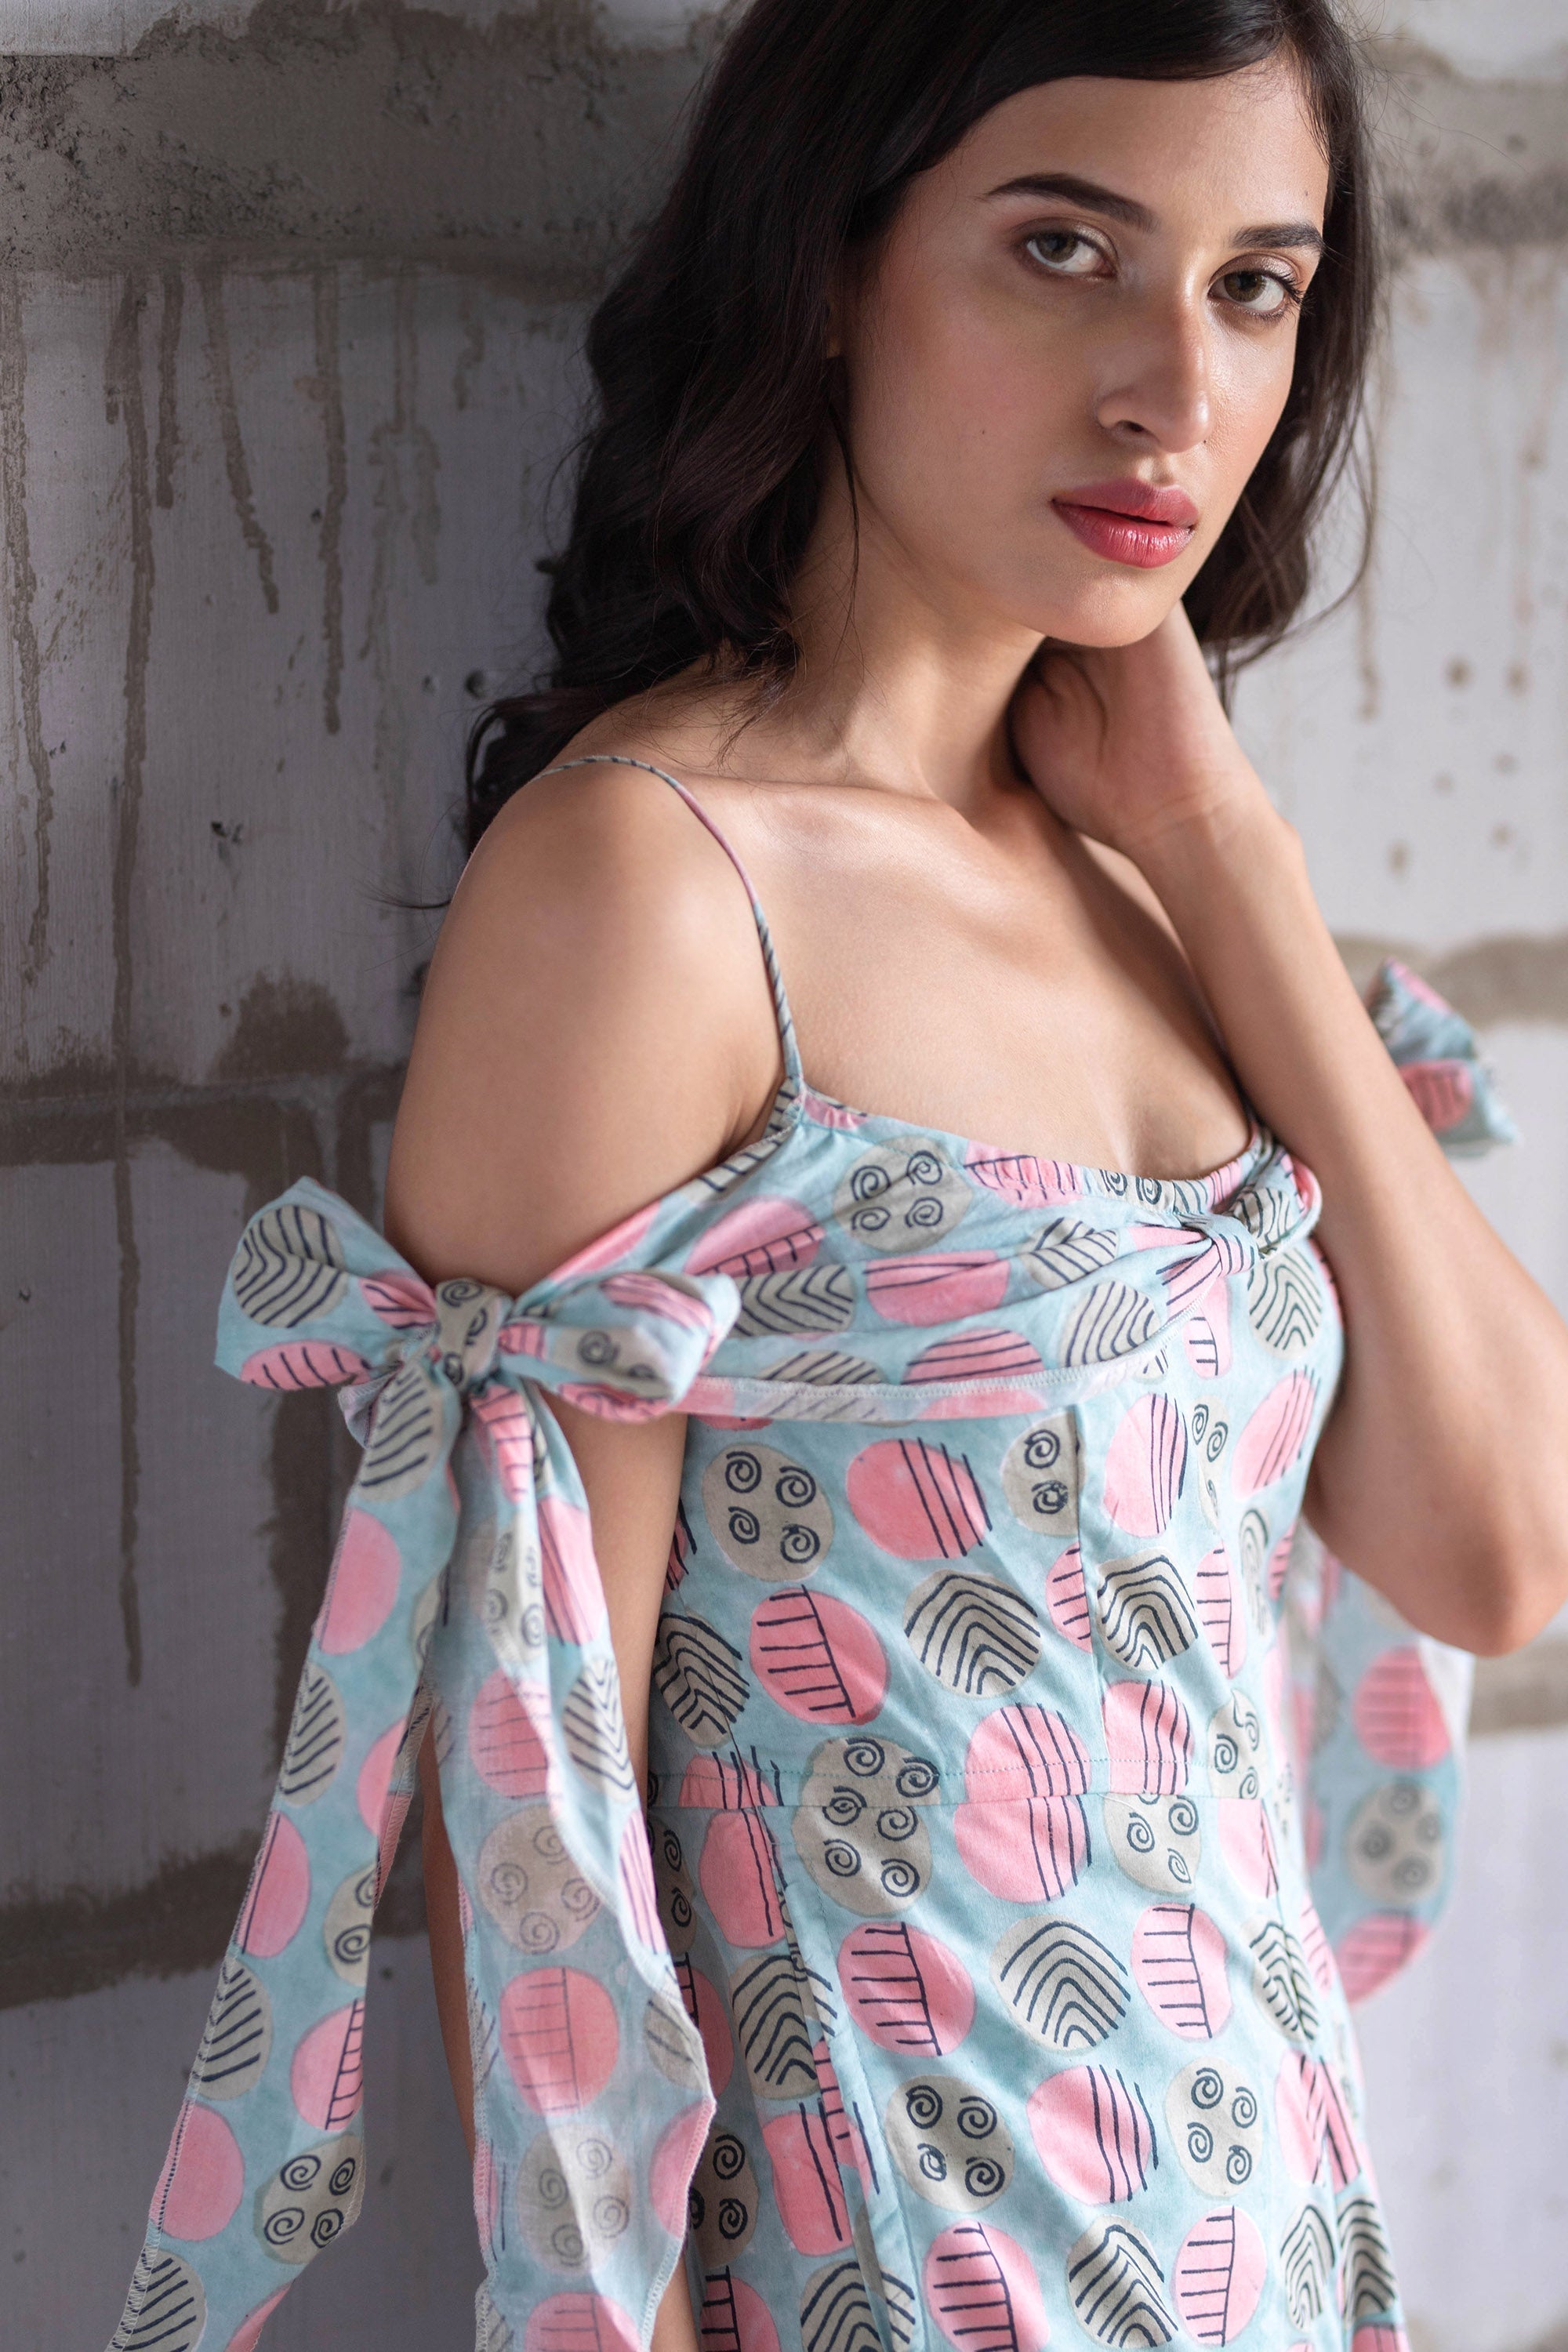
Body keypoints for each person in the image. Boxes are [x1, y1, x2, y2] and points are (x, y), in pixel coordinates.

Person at [107, 4, 1568, 2349]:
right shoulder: (651, 892)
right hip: (901, 2275)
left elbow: (1499, 1547)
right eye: (1065, 248)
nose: (1173, 391)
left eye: (1253, 286)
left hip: (1276, 2248)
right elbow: (533, 1822)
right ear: (826, 267)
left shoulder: (1152, 882)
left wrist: (1231, 856)